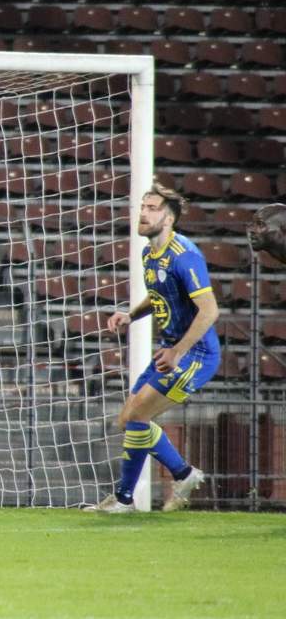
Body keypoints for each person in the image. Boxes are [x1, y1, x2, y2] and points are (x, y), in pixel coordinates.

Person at [88, 182, 219, 513]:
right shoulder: (150, 254)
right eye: (142, 207)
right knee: (129, 418)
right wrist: (130, 316)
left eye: (152, 208)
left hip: (194, 354)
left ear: (170, 218)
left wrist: (178, 352)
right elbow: (160, 294)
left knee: (138, 416)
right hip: (169, 349)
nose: (143, 213)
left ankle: (124, 499)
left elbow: (210, 310)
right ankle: (183, 474)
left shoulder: (184, 256)